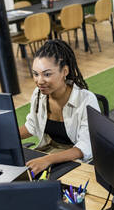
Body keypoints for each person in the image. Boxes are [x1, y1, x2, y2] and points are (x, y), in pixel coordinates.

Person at [19, 40, 100, 174]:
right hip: (49, 153)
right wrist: (2, 137)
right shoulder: (39, 95)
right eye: (35, 74)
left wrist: (48, 160)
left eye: (47, 74)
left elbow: (85, 147)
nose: (39, 81)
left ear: (65, 71)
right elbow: (32, 126)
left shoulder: (86, 100)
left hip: (76, 160)